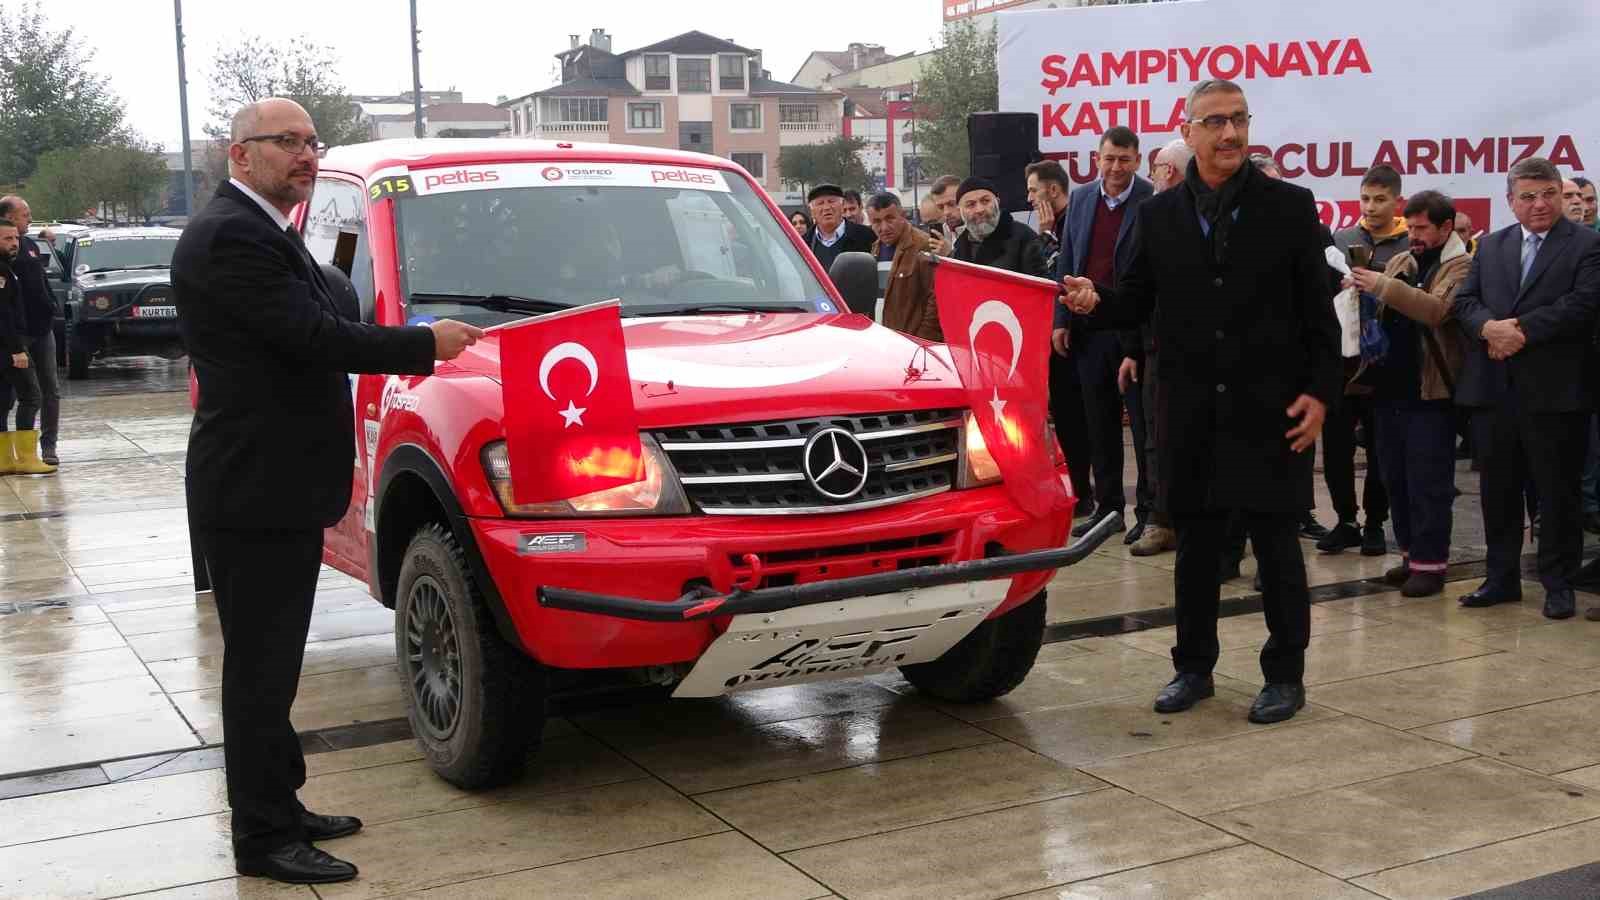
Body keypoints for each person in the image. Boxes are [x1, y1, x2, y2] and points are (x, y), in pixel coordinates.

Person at [175, 98, 483, 885]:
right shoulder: (231, 236)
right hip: (253, 489)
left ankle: (282, 802)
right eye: (287, 143)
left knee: (274, 667)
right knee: (258, 672)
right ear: (240, 155)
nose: (306, 154)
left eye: (312, 142)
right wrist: (425, 343)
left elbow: (328, 301)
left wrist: (338, 262)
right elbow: (314, 338)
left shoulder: (274, 233)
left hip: (276, 484)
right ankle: (265, 837)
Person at [1062, 79, 1341, 725]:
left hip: (1273, 408)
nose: (1230, 135)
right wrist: (1095, 301)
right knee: (1195, 546)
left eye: (1239, 120)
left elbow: (1318, 317)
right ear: (1187, 132)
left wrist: (1321, 394)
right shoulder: (1157, 215)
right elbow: (1135, 297)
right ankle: (1193, 668)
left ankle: (1285, 676)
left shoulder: (1289, 207)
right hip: (1187, 407)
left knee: (1275, 548)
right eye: (1215, 122)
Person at [1453, 156, 1600, 620]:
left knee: (1557, 492)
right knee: (1498, 489)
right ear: (1511, 201)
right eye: (1529, 196)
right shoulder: (1492, 246)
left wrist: (1517, 330)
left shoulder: (1586, 244)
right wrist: (1488, 329)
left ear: (1560, 193)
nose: (1540, 204)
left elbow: (1582, 304)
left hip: (1556, 390)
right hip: (1495, 389)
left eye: (1548, 194)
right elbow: (1465, 302)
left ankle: (1558, 582)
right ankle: (1501, 578)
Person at [1345, 191, 1469, 597]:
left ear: (1445, 227)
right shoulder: (1403, 260)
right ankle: (1410, 555)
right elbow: (1383, 310)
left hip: (1431, 393)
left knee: (1428, 482)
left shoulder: (1463, 265)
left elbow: (1436, 310)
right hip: (1388, 390)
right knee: (1394, 479)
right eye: (1409, 227)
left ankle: (1432, 565)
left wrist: (1382, 285)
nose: (1412, 235)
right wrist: (1361, 293)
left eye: (1421, 228)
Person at [1055, 126, 1153, 541]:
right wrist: (1060, 321)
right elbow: (1067, 258)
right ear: (1097, 159)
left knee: (1145, 428)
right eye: (1109, 158)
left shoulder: (1153, 200)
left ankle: (1148, 512)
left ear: (1137, 161)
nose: (1115, 168)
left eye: (1124, 160)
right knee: (1099, 423)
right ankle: (1109, 508)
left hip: (1133, 332)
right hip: (1088, 330)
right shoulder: (1080, 198)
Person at [1324, 165, 1405, 556]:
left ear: (1396, 201)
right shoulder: (1341, 239)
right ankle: (1345, 520)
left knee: (1379, 447)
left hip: (1385, 360)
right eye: (1365, 199)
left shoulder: (1407, 244)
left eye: (1380, 200)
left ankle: (1375, 522)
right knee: (1336, 444)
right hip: (1342, 358)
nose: (1371, 208)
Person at [1127, 139, 1192, 557]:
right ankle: (1162, 519)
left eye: (1155, 171)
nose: (1152, 179)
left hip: (1203, 352)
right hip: (1156, 347)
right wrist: (1133, 348)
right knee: (1155, 439)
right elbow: (1135, 290)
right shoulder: (1151, 216)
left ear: (1168, 171)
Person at [1028, 160, 1094, 516]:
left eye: (1032, 190)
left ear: (1052, 191)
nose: (1028, 198)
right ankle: (1081, 493)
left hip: (1084, 337)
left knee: (1088, 421)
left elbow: (1057, 277)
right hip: (1057, 339)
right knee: (1068, 421)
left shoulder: (1075, 223)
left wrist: (1047, 237)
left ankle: (1094, 496)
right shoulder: (1047, 229)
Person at [0, 197, 60, 467]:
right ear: (9, 217)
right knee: (16, 394)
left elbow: (41, 280)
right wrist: (15, 344)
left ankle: (47, 447)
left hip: (41, 329)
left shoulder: (30, 244)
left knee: (48, 391)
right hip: (17, 334)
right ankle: (15, 456)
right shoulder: (5, 256)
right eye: (25, 214)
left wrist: (51, 304)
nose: (30, 218)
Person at [865, 192, 942, 340]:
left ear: (902, 215)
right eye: (876, 221)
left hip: (911, 346)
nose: (884, 227)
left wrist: (922, 341)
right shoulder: (875, 248)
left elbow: (935, 302)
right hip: (882, 340)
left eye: (890, 218)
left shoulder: (923, 245)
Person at [951, 176, 1047, 277]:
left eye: (985, 201)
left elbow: (1041, 284)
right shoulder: (960, 247)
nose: (980, 210)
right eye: (971, 205)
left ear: (997, 202)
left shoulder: (1024, 237)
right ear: (960, 210)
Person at [803, 183, 875, 276]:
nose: (827, 208)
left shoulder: (866, 235)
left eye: (831, 201)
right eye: (820, 203)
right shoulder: (803, 244)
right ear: (812, 212)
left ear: (842, 206)